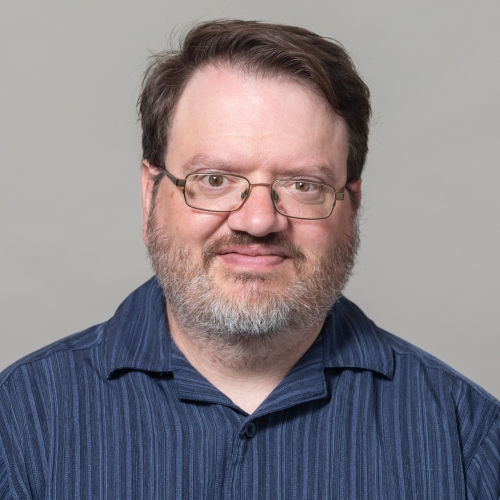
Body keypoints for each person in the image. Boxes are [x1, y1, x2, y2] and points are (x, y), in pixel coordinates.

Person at [0, 19, 498, 499]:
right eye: (214, 180)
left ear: (353, 202)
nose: (258, 222)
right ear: (152, 193)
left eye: (303, 185)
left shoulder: (465, 436)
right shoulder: (22, 421)